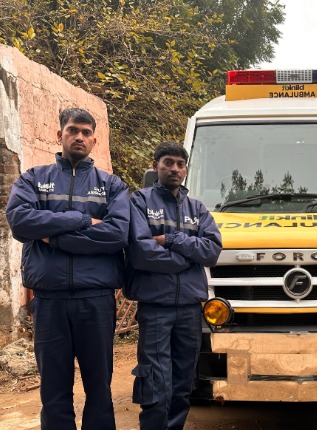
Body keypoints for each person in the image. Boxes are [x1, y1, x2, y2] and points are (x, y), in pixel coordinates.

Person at [6, 108, 130, 430]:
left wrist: (53, 237)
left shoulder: (112, 186)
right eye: (73, 130)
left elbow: (117, 233)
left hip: (97, 300)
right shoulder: (33, 179)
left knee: (99, 388)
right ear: (58, 134)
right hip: (49, 302)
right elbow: (20, 221)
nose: (79, 137)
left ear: (94, 139)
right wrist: (83, 220)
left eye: (86, 132)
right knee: (54, 391)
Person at [124, 141, 222, 429]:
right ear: (156, 166)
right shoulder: (139, 202)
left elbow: (212, 251)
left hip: (190, 310)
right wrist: (186, 259)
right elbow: (141, 252)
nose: (174, 169)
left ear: (186, 169)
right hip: (156, 307)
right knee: (155, 381)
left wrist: (171, 240)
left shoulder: (197, 209)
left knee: (183, 381)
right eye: (168, 162)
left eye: (180, 164)